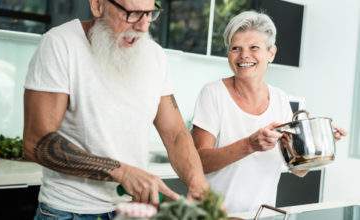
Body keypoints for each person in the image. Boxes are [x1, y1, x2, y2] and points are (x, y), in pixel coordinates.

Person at [23, 0, 208, 219]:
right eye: (132, 14)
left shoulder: (155, 56)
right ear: (97, 5)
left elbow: (176, 133)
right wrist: (121, 172)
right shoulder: (60, 44)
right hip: (69, 211)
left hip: (131, 212)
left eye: (149, 14)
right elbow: (35, 142)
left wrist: (197, 182)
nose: (143, 26)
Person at [191, 10, 346, 213]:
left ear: (271, 53)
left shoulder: (280, 100)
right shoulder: (213, 94)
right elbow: (197, 163)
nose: (244, 55)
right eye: (235, 48)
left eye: (254, 47)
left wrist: (318, 143)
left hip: (262, 216)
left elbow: (298, 170)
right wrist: (249, 145)